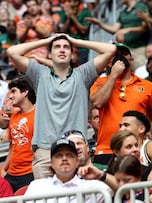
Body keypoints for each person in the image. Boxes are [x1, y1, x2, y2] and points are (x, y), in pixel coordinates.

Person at [7, 34, 116, 178]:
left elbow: (111, 49)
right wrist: (47, 40)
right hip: (45, 151)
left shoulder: (83, 74)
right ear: (50, 54)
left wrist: (74, 40)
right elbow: (12, 52)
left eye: (66, 47)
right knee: (45, 200)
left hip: (75, 150)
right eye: (57, 47)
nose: (62, 50)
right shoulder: (40, 73)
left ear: (71, 54)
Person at [90, 44, 152, 169]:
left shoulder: (147, 86)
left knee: (137, 187)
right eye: (114, 56)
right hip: (106, 148)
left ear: (131, 60)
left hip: (136, 149)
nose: (119, 58)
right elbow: (97, 102)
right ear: (108, 63)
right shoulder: (100, 82)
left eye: (123, 54)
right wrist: (113, 75)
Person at [24, 138, 112, 202]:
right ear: (51, 163)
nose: (64, 159)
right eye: (59, 155)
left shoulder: (93, 186)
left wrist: (101, 175)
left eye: (69, 155)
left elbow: (120, 189)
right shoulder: (37, 186)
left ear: (77, 161)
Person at [85, 0, 149, 70]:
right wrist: (99, 23)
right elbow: (114, 29)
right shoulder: (123, 12)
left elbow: (146, 28)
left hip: (138, 49)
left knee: (140, 73)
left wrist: (129, 29)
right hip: (126, 50)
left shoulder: (141, 7)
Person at [0, 76, 35, 192]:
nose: (10, 96)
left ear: (25, 92)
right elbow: (12, 146)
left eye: (14, 91)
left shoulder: (38, 115)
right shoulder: (14, 116)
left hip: (30, 172)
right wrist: (3, 169)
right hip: (11, 173)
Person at [58, 0, 92, 64]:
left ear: (76, 2)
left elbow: (83, 30)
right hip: (69, 47)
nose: (67, 3)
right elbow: (62, 32)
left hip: (82, 48)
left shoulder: (86, 13)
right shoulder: (66, 14)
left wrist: (73, 17)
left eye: (70, 1)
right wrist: (69, 18)